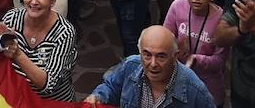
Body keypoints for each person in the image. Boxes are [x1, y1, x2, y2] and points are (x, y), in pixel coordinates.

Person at [0, 0, 78, 99]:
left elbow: (48, 85)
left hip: (53, 104)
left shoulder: (65, 33)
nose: (34, 1)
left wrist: (17, 54)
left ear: (53, 0)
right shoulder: (11, 19)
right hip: (18, 100)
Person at [87, 25, 217, 108]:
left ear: (175, 56)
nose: (153, 64)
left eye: (161, 56)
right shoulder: (130, 66)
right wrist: (98, 97)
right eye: (147, 55)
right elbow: (110, 86)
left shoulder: (195, 91)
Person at [164, 0, 229, 107]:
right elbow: (164, 40)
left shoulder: (221, 18)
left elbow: (220, 61)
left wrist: (196, 59)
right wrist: (174, 47)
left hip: (208, 90)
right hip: (178, 83)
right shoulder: (177, 6)